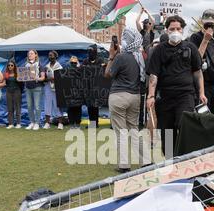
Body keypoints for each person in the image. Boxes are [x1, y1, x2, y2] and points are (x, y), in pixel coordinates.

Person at [147, 15, 207, 157]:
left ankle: (186, 159)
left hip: (185, 96)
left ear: (182, 30)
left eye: (178, 28)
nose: (175, 31)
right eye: (172, 29)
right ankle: (170, 162)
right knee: (167, 136)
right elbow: (153, 75)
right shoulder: (159, 50)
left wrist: (202, 93)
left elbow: (198, 72)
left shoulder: (190, 48)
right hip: (165, 98)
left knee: (185, 126)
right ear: (167, 30)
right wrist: (150, 95)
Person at [106, 27, 151, 173]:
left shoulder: (120, 57)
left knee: (121, 132)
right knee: (134, 130)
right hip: (135, 96)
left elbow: (108, 74)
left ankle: (124, 165)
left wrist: (111, 56)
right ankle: (145, 161)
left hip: (118, 96)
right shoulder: (140, 57)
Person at [190, 9, 214, 115]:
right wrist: (205, 40)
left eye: (212, 22)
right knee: (203, 117)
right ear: (202, 21)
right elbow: (195, 60)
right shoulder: (195, 37)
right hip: (202, 84)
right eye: (207, 22)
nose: (209, 24)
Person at [82, 44, 104, 129]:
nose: (90, 54)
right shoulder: (85, 61)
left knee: (95, 106)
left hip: (97, 87)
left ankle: (96, 123)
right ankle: (92, 123)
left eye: (91, 52)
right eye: (89, 52)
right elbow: (82, 70)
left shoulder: (100, 61)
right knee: (90, 106)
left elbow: (102, 70)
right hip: (87, 87)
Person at [23, 49, 45, 131]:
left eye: (32, 53)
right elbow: (23, 76)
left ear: (36, 55)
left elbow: (43, 78)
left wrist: (37, 78)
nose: (30, 55)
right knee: (29, 106)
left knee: (37, 106)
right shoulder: (26, 65)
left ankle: (37, 123)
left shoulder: (40, 65)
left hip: (37, 87)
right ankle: (31, 122)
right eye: (29, 54)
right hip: (28, 87)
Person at [43, 50, 64, 130]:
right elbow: (44, 78)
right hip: (48, 87)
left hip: (57, 88)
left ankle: (60, 123)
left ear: (55, 56)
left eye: (51, 55)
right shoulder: (46, 67)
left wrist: (54, 79)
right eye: (49, 55)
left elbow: (62, 78)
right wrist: (47, 78)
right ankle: (47, 123)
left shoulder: (59, 66)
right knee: (47, 104)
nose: (50, 57)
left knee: (57, 105)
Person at [4, 60, 23, 129]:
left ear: (14, 66)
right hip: (8, 91)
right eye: (9, 65)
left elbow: (22, 84)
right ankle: (11, 123)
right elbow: (4, 83)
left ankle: (18, 123)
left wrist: (19, 80)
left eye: (12, 65)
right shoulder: (6, 74)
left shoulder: (18, 73)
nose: (10, 66)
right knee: (10, 108)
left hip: (16, 91)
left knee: (17, 107)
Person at [67, 56, 82, 129]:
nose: (73, 64)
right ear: (70, 63)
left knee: (78, 108)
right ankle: (72, 124)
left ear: (77, 63)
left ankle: (78, 124)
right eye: (72, 63)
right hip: (69, 92)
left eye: (75, 63)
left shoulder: (80, 71)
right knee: (70, 109)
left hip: (78, 92)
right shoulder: (67, 71)